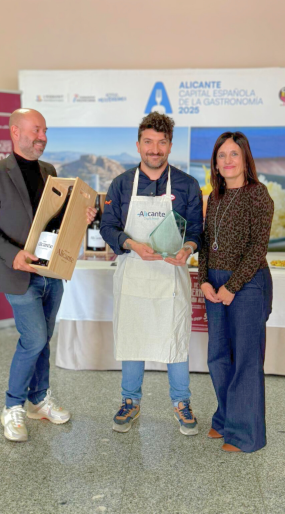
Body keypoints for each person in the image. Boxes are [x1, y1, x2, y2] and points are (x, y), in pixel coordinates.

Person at [0, 108, 96, 442]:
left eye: (45, 132)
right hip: (19, 274)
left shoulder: (49, 171)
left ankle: (39, 400)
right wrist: (13, 254)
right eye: (36, 130)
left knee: (44, 339)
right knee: (35, 339)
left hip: (51, 272)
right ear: (15, 132)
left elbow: (56, 220)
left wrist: (81, 215)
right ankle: (12, 406)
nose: (43, 137)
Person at [100, 112, 203, 435]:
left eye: (161, 142)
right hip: (133, 271)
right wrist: (132, 244)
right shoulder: (121, 184)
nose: (154, 149)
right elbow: (107, 226)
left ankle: (181, 402)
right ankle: (130, 401)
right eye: (148, 142)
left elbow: (196, 229)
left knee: (175, 338)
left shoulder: (187, 185)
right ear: (138, 145)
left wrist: (188, 248)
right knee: (133, 336)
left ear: (170, 146)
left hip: (171, 276)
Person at [199, 131, 274, 453]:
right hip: (215, 284)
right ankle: (226, 419)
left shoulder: (258, 194)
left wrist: (232, 286)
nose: (227, 160)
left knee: (245, 359)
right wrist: (203, 280)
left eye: (234, 154)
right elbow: (205, 244)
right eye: (222, 155)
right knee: (218, 356)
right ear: (215, 163)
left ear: (245, 160)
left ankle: (245, 435)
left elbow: (258, 247)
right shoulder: (214, 197)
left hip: (248, 283)